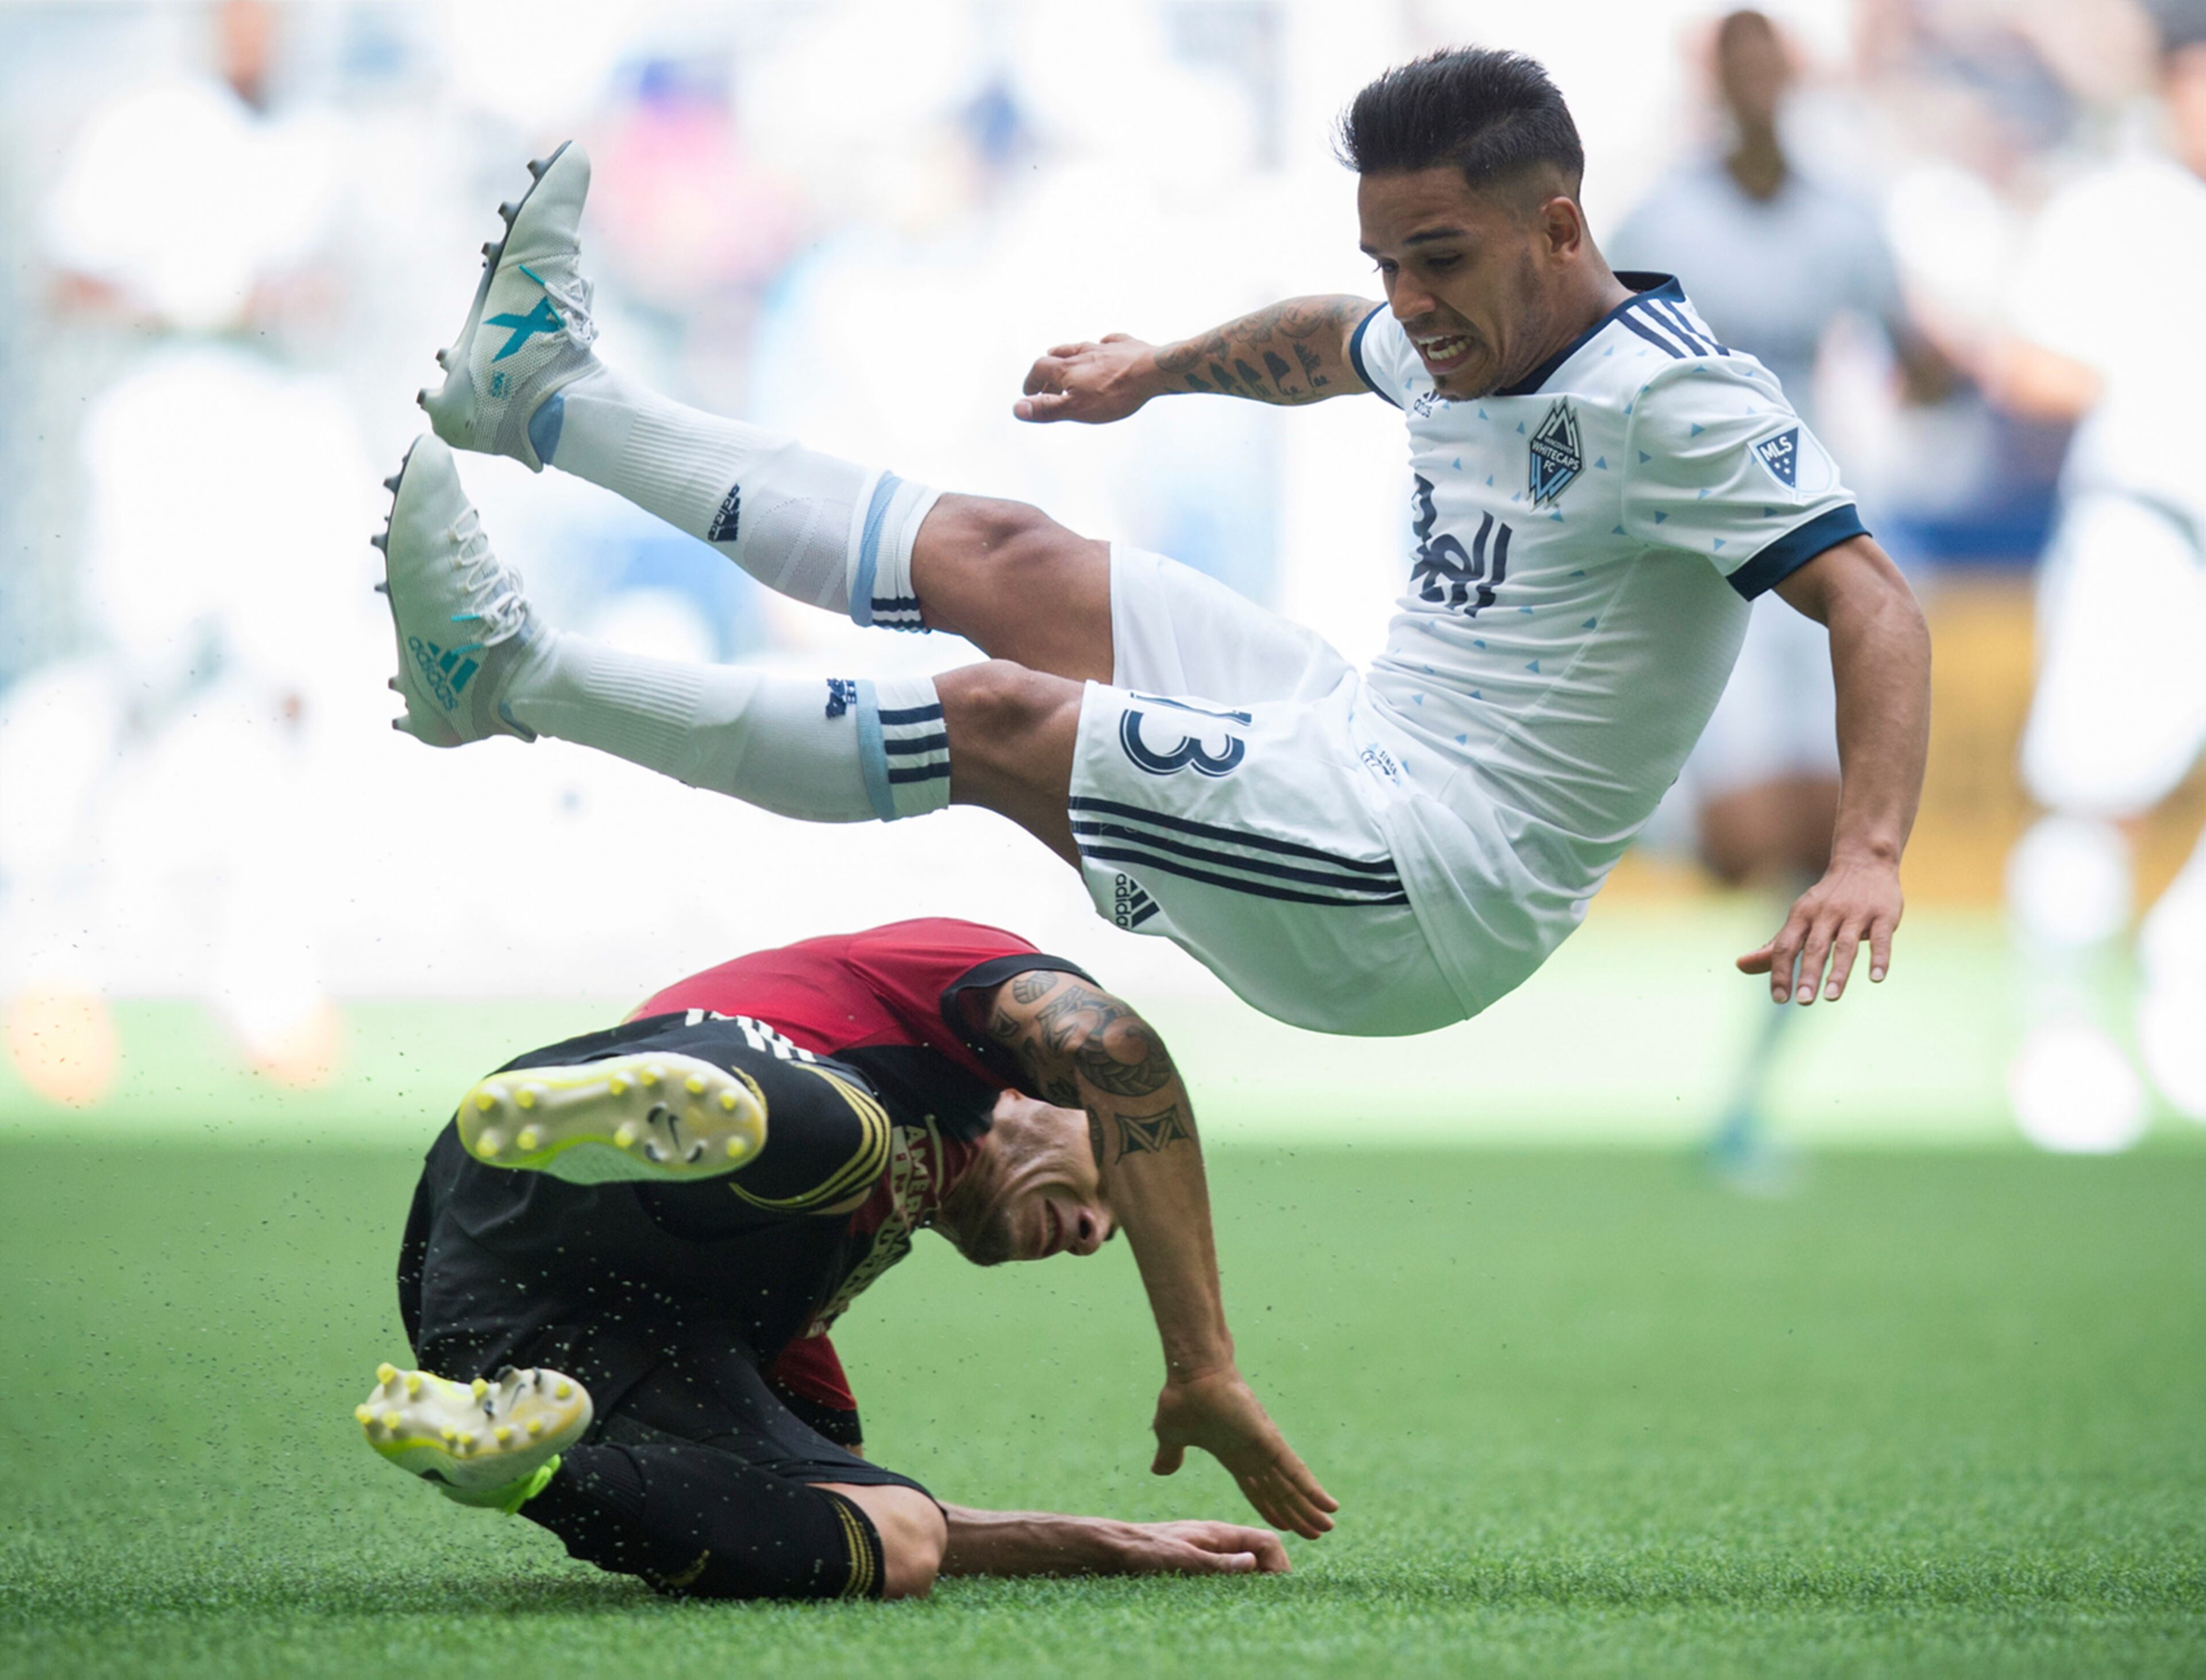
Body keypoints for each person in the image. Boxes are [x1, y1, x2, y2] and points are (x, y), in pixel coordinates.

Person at [375, 48, 1930, 1041]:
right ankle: (545, 400)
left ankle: (502, 678)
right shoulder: (1453, 325)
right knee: (1010, 554)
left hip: (1431, 887)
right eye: (1389, 259)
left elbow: (1871, 603)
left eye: (1440, 259)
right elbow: (1331, 339)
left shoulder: (1676, 401)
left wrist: (1865, 852)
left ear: (1562, 228)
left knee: (1001, 720)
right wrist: (1156, 369)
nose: (1411, 302)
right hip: (1357, 736)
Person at [359, 918, 1323, 1600]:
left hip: (501, 1323)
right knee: (857, 1141)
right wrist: (1203, 1366)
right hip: (540, 1149)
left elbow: (812, 1512)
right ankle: (631, 1119)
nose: (1094, 1233)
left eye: (1106, 1232)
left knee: (898, 1533)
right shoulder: (946, 1010)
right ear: (1038, 1092)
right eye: (1112, 1185)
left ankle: (517, 1471)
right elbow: (1114, 1045)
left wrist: (1107, 1542)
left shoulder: (815, 1294)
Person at [1607, 9, 1957, 1179]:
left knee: (1819, 839)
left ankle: (1747, 1100)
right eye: (1739, 65)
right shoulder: (1663, 219)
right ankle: (1646, 835)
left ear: (1793, 78)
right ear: (1716, 80)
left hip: (1816, 537)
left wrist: (1952, 370)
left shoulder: (1849, 218)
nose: (1758, 84)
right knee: (1741, 833)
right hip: (1703, 551)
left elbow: (1912, 356)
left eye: (1774, 64)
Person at [1992, 0, 2206, 1148]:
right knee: (2098, 797)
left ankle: (2184, 997)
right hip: (2148, 533)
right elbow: (2029, 369)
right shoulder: (2116, 205)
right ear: (2174, 81)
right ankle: (2061, 1034)